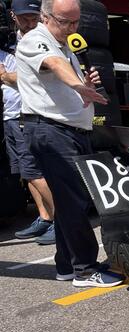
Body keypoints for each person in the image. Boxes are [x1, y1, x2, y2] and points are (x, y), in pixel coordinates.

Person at [16, 0, 123, 287]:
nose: (72, 28)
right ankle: (86, 269)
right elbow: (54, 64)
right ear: (45, 16)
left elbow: (64, 72)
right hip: (52, 131)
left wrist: (83, 83)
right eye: (65, 22)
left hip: (69, 130)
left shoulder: (66, 44)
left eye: (76, 23)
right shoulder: (35, 40)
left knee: (68, 201)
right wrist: (78, 85)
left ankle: (67, 264)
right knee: (75, 201)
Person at [1, 0, 56, 245]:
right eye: (25, 18)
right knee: (25, 171)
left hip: (30, 112)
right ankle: (45, 217)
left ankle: (61, 220)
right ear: (14, 16)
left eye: (34, 17)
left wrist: (5, 76)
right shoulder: (11, 40)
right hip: (10, 114)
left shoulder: (44, 40)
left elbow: (31, 77)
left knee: (34, 170)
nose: (30, 22)